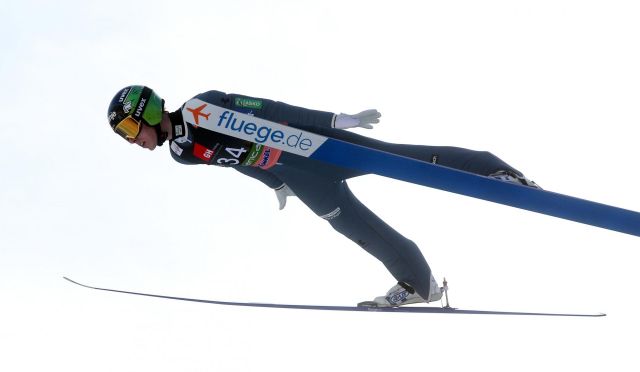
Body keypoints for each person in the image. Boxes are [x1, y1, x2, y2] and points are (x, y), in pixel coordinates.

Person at [107, 85, 539, 307]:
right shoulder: (182, 153)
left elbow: (271, 110)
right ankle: (419, 282)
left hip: (314, 146)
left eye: (129, 130)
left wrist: (334, 118)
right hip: (297, 174)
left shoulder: (204, 107)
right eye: (125, 137)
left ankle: (497, 172)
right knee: (352, 224)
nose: (133, 141)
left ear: (146, 110)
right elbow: (235, 160)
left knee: (404, 161)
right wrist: (275, 184)